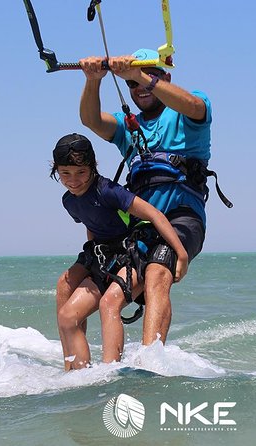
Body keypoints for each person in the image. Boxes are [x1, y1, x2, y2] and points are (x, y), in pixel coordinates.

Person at [79, 48, 223, 348]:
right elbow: (91, 120)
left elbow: (195, 106)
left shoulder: (187, 110)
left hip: (184, 217)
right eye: (132, 84)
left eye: (148, 78)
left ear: (164, 77)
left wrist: (138, 74)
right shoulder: (127, 126)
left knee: (158, 273)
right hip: (143, 228)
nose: (139, 88)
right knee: (112, 297)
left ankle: (151, 362)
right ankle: (106, 373)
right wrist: (93, 80)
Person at [52, 133, 188, 370]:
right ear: (56, 170)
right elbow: (92, 226)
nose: (73, 180)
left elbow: (155, 215)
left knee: (108, 303)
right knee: (67, 316)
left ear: (92, 167)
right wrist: (92, 261)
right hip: (105, 257)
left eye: (81, 172)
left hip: (134, 254)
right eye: (65, 173)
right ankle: (77, 375)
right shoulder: (69, 201)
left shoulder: (108, 190)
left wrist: (181, 254)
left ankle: (110, 372)